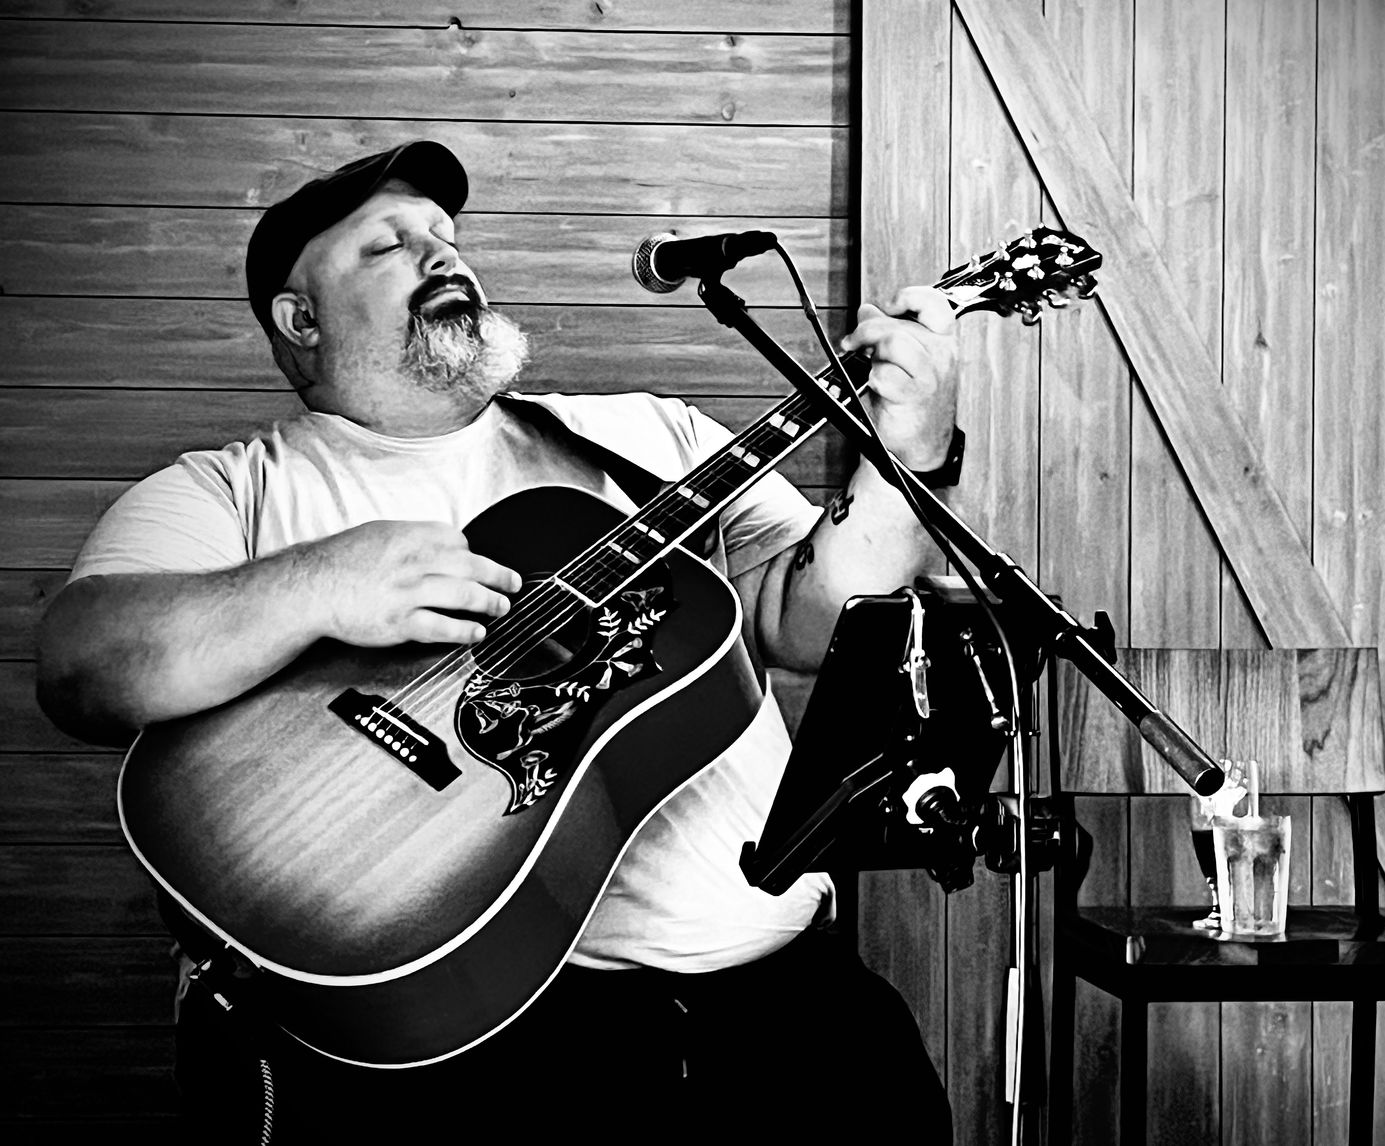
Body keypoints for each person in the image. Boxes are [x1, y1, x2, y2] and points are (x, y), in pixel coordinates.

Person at [36, 141, 963, 1143]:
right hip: (488, 1046)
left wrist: (909, 456)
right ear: (300, 320)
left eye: (445, 236)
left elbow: (814, 619)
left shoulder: (648, 438)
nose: (441, 254)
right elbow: (85, 662)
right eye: (388, 244)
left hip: (793, 1010)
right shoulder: (228, 490)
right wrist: (320, 583)